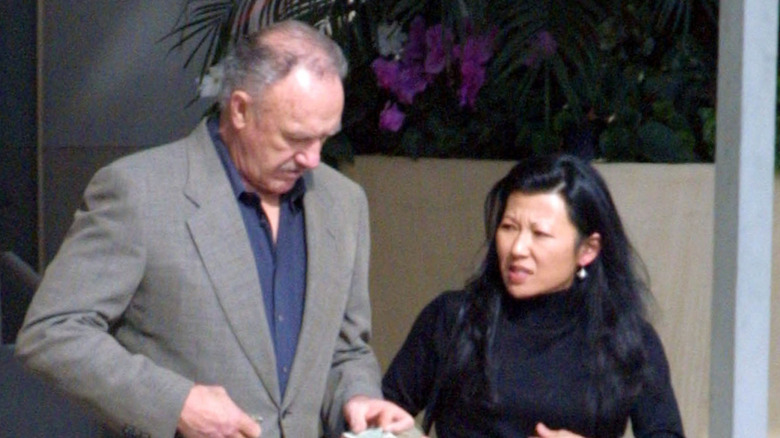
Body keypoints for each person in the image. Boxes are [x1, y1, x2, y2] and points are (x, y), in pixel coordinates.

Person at [15, 20, 414, 438]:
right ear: (240, 110)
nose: (313, 159)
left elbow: (345, 350)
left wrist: (359, 399)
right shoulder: (141, 192)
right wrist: (176, 404)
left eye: (324, 138)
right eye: (296, 138)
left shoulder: (342, 204)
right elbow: (52, 333)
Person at [382, 154, 685, 438]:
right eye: (509, 227)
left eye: (540, 234)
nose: (517, 249)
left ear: (587, 250)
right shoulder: (453, 319)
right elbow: (383, 415)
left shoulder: (626, 338)